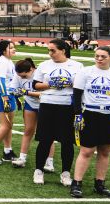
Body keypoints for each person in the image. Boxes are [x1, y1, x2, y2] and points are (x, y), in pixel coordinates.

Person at [70, 46, 110, 198]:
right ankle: (76, 183)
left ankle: (100, 184)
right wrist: (78, 114)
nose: (99, 59)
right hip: (89, 114)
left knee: (104, 151)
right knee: (87, 151)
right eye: (97, 56)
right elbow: (76, 95)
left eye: (103, 56)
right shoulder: (85, 72)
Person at [31, 38, 84, 186]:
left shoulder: (77, 66)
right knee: (45, 140)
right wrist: (50, 84)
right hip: (48, 104)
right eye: (49, 50)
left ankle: (66, 173)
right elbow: (35, 85)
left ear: (63, 50)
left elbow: (81, 86)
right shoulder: (44, 65)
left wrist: (68, 82)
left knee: (67, 142)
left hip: (67, 106)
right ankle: (39, 170)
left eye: (53, 50)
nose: (50, 53)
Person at [9, 58, 43, 169]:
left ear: (31, 69)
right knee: (28, 130)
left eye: (24, 76)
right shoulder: (18, 75)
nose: (21, 78)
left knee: (46, 134)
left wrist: (27, 92)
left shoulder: (41, 74)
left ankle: (49, 162)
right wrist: (15, 92)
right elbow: (12, 88)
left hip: (45, 104)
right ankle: (22, 158)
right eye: (20, 76)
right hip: (30, 104)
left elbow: (44, 94)